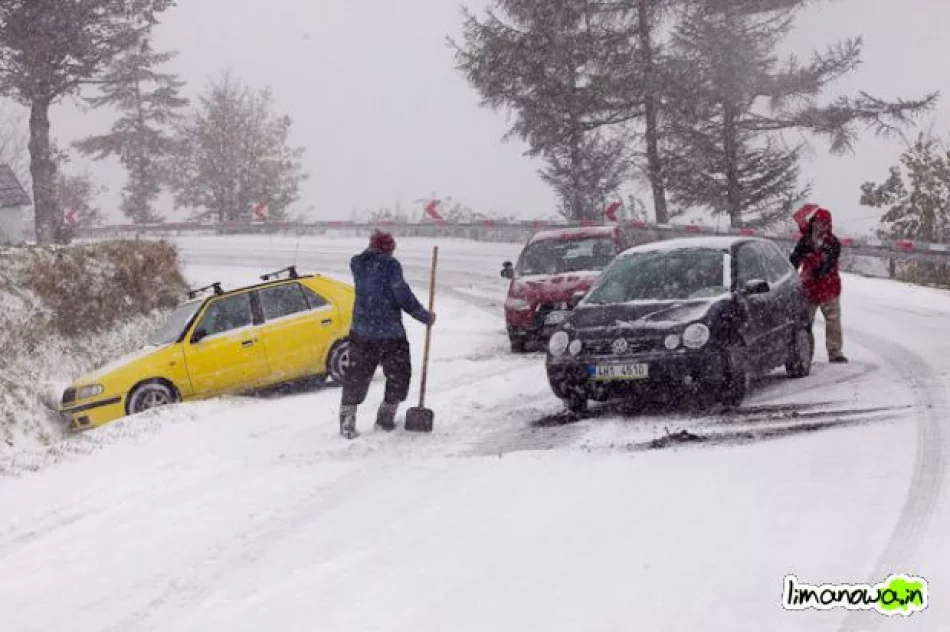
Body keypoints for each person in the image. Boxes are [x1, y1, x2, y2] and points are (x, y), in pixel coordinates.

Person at [338, 230, 436, 438]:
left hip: (361, 332)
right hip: (389, 334)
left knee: (356, 377)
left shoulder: (357, 263)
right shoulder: (390, 265)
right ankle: (385, 419)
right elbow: (402, 295)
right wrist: (424, 316)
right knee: (399, 375)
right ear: (388, 248)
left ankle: (347, 423)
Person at [789, 206, 848, 363]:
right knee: (805, 323)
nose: (818, 225)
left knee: (833, 322)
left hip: (829, 288)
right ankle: (804, 353)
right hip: (809, 288)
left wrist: (816, 263)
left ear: (828, 225)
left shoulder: (833, 243)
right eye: (816, 222)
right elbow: (794, 261)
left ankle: (835, 352)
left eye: (822, 222)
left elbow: (827, 265)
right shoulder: (805, 241)